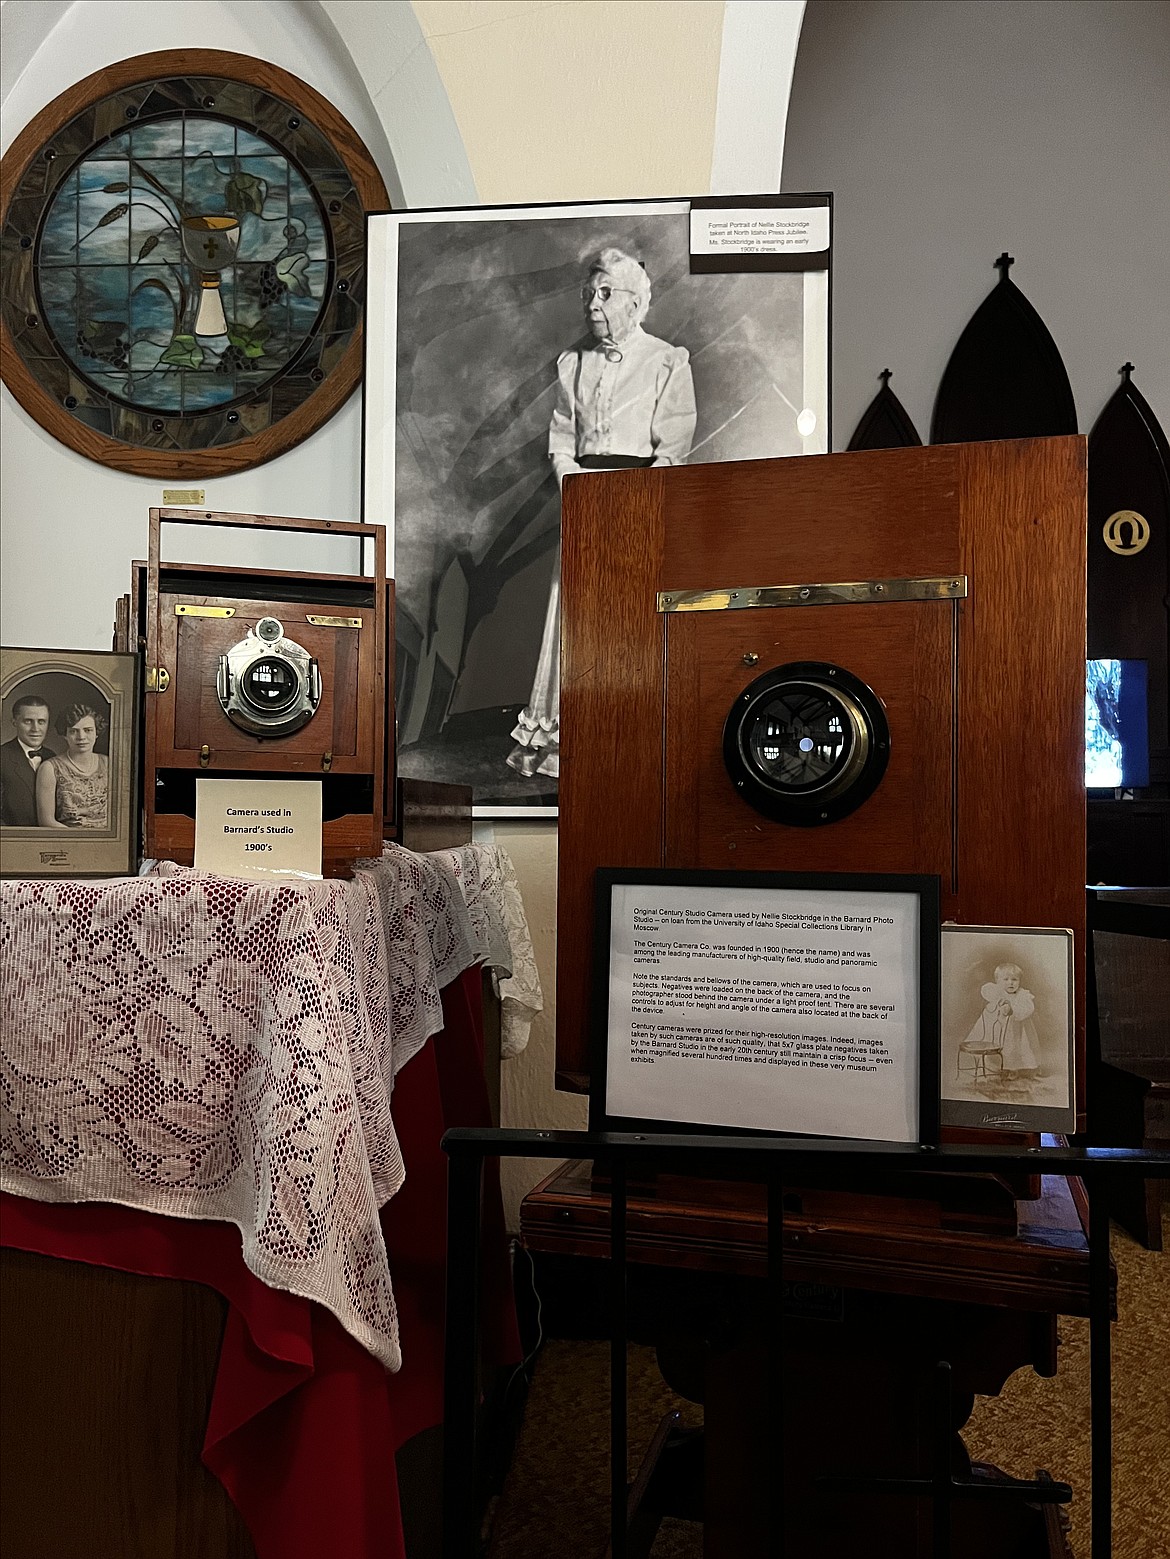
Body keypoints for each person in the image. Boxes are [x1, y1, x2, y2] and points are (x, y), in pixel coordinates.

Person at [506, 248, 697, 778]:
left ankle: (630, 738)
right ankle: (567, 742)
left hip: (638, 505)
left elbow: (673, 446)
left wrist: (633, 502)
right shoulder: (573, 364)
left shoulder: (665, 360)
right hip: (584, 502)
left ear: (636, 303)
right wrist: (581, 489)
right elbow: (561, 440)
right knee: (575, 613)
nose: (593, 303)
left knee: (631, 618)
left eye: (605, 293)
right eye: (589, 294)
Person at [35, 703, 109, 829]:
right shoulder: (50, 768)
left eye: (88, 730)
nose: (81, 737)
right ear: (65, 734)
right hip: (69, 841)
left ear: (97, 733)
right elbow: (46, 821)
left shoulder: (108, 763)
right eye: (74, 731)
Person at [966, 962, 1040, 1079]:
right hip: (995, 1028)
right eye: (1005, 979)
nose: (1010, 983)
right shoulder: (997, 991)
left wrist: (1013, 1009)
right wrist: (1001, 1000)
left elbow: (1028, 1008)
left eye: (1014, 979)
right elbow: (986, 990)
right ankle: (992, 1067)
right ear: (998, 981)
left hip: (1016, 1029)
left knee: (1014, 1047)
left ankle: (1012, 1069)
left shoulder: (1022, 995)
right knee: (992, 1044)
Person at [1, 695, 55, 827]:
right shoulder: (2, 756)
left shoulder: (53, 757)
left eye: (41, 721)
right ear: (14, 722)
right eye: (28, 721)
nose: (35, 729)